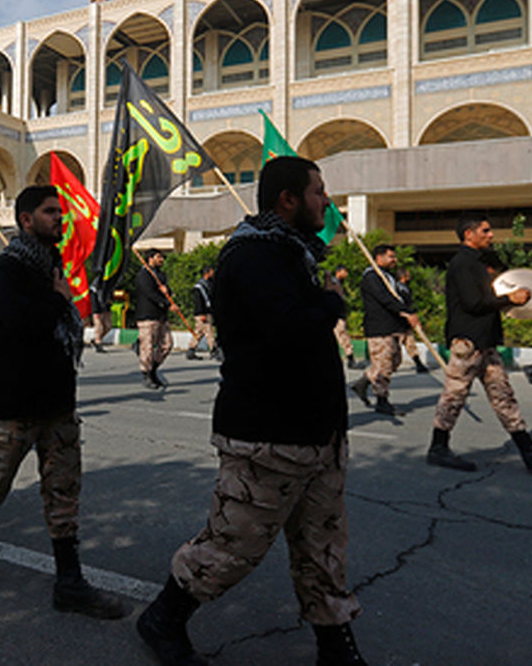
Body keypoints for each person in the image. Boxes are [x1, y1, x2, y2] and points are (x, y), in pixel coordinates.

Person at [137, 156, 366, 666]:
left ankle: (336, 648)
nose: (326, 202)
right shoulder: (254, 257)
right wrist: (331, 304)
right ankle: (163, 619)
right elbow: (286, 330)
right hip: (270, 434)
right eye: (318, 192)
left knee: (323, 550)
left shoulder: (289, 253)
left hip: (318, 433)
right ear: (288, 199)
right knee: (231, 549)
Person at [0, 186, 127, 620]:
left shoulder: (51, 266)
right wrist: (59, 298)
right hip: (15, 403)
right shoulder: (6, 269)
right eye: (49, 212)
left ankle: (70, 582)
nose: (59, 219)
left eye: (59, 212)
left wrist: (59, 296)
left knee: (64, 493)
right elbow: (21, 324)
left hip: (58, 403)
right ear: (26, 219)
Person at [426, 213, 532, 473]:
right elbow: (474, 303)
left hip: (485, 341)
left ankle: (531, 453)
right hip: (469, 341)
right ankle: (438, 448)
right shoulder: (463, 263)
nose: (491, 235)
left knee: (503, 395)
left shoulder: (480, 263)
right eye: (485, 231)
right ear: (469, 234)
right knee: (455, 395)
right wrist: (510, 299)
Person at [349, 244, 418, 417]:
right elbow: (384, 298)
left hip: (394, 326)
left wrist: (409, 314)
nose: (394, 260)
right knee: (384, 365)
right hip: (379, 327)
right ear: (379, 258)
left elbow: (399, 296)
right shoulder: (371, 276)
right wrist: (404, 312)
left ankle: (364, 381)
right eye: (391, 257)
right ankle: (382, 400)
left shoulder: (389, 276)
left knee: (395, 361)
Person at [135, 248, 173, 389]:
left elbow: (167, 291)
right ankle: (146, 374)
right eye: (159, 257)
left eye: (162, 257)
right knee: (148, 347)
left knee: (167, 345)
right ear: (150, 258)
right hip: (148, 316)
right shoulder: (144, 275)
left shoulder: (161, 275)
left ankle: (154, 369)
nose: (161, 260)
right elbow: (150, 293)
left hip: (161, 316)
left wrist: (166, 291)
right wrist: (166, 303)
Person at [327, 266, 365, 370]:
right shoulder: (333, 283)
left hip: (340, 314)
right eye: (345, 271)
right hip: (336, 315)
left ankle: (350, 360)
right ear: (338, 272)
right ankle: (350, 360)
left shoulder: (339, 283)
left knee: (343, 337)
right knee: (343, 337)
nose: (346, 274)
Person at [395, 268, 428, 373]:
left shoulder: (406, 288)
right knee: (395, 347)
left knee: (410, 343)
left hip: (407, 320)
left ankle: (418, 363)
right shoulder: (396, 288)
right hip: (398, 321)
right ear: (403, 276)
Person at [185, 265, 218, 361]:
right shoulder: (199, 287)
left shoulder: (209, 284)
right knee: (209, 332)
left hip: (208, 312)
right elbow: (198, 302)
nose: (213, 273)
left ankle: (191, 350)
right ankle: (214, 350)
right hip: (202, 313)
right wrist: (201, 313)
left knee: (199, 333)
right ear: (206, 273)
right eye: (212, 271)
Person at [88, 280, 113, 353]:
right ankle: (98, 342)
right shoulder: (102, 270)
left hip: (107, 293)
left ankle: (96, 339)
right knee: (98, 318)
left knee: (108, 325)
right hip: (96, 292)